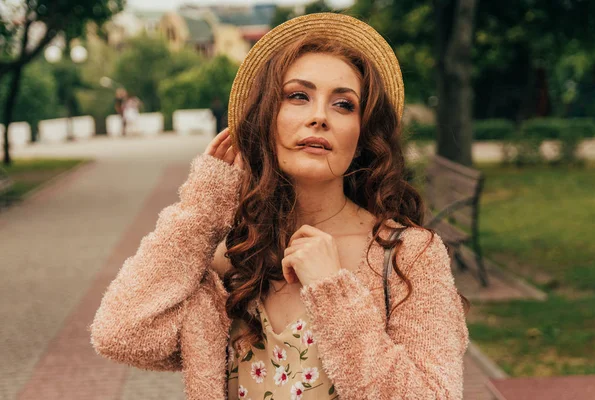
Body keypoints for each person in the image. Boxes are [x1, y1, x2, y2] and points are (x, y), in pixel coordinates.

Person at [91, 13, 469, 400]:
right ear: (267, 118)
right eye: (298, 96)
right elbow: (120, 332)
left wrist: (332, 292)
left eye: (343, 104)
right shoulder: (233, 259)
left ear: (363, 133)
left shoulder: (407, 255)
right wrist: (201, 213)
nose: (319, 116)